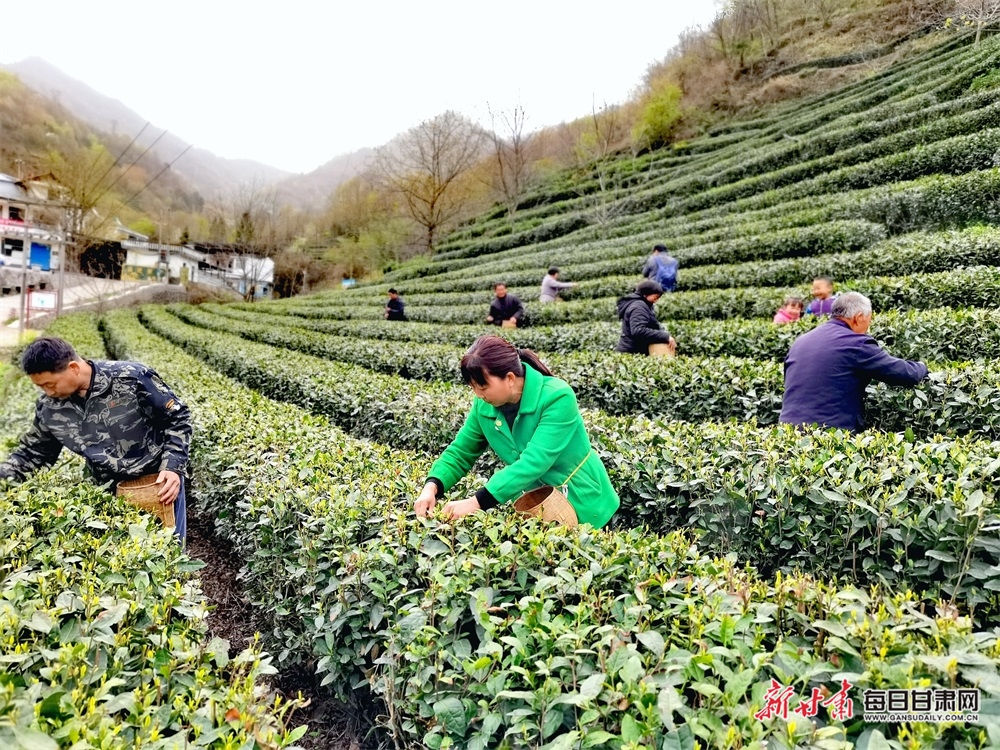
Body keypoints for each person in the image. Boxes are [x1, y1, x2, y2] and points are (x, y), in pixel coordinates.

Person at [413, 336, 620, 529]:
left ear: (510, 378)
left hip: (583, 501)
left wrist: (477, 502)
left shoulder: (557, 397)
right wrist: (432, 486)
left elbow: (535, 461)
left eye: (483, 386)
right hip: (536, 507)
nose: (478, 394)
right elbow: (460, 452)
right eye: (473, 387)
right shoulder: (483, 407)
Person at [0, 337, 192, 539]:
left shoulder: (131, 378)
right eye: (41, 387)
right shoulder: (50, 406)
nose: (48, 392)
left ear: (73, 367)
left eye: (50, 384)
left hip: (157, 483)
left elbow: (178, 418)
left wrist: (172, 466)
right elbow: (33, 454)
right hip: (105, 490)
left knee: (169, 550)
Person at [780, 292, 928, 432]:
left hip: (787, 433)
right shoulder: (856, 343)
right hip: (827, 435)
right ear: (858, 317)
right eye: (869, 321)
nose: (868, 328)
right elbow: (903, 373)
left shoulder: (800, 341)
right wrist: (922, 367)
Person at [615, 279, 676, 355]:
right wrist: (665, 336)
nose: (656, 301)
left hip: (635, 351)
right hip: (631, 352)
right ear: (646, 293)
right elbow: (638, 330)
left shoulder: (644, 304)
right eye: (656, 297)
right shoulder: (638, 307)